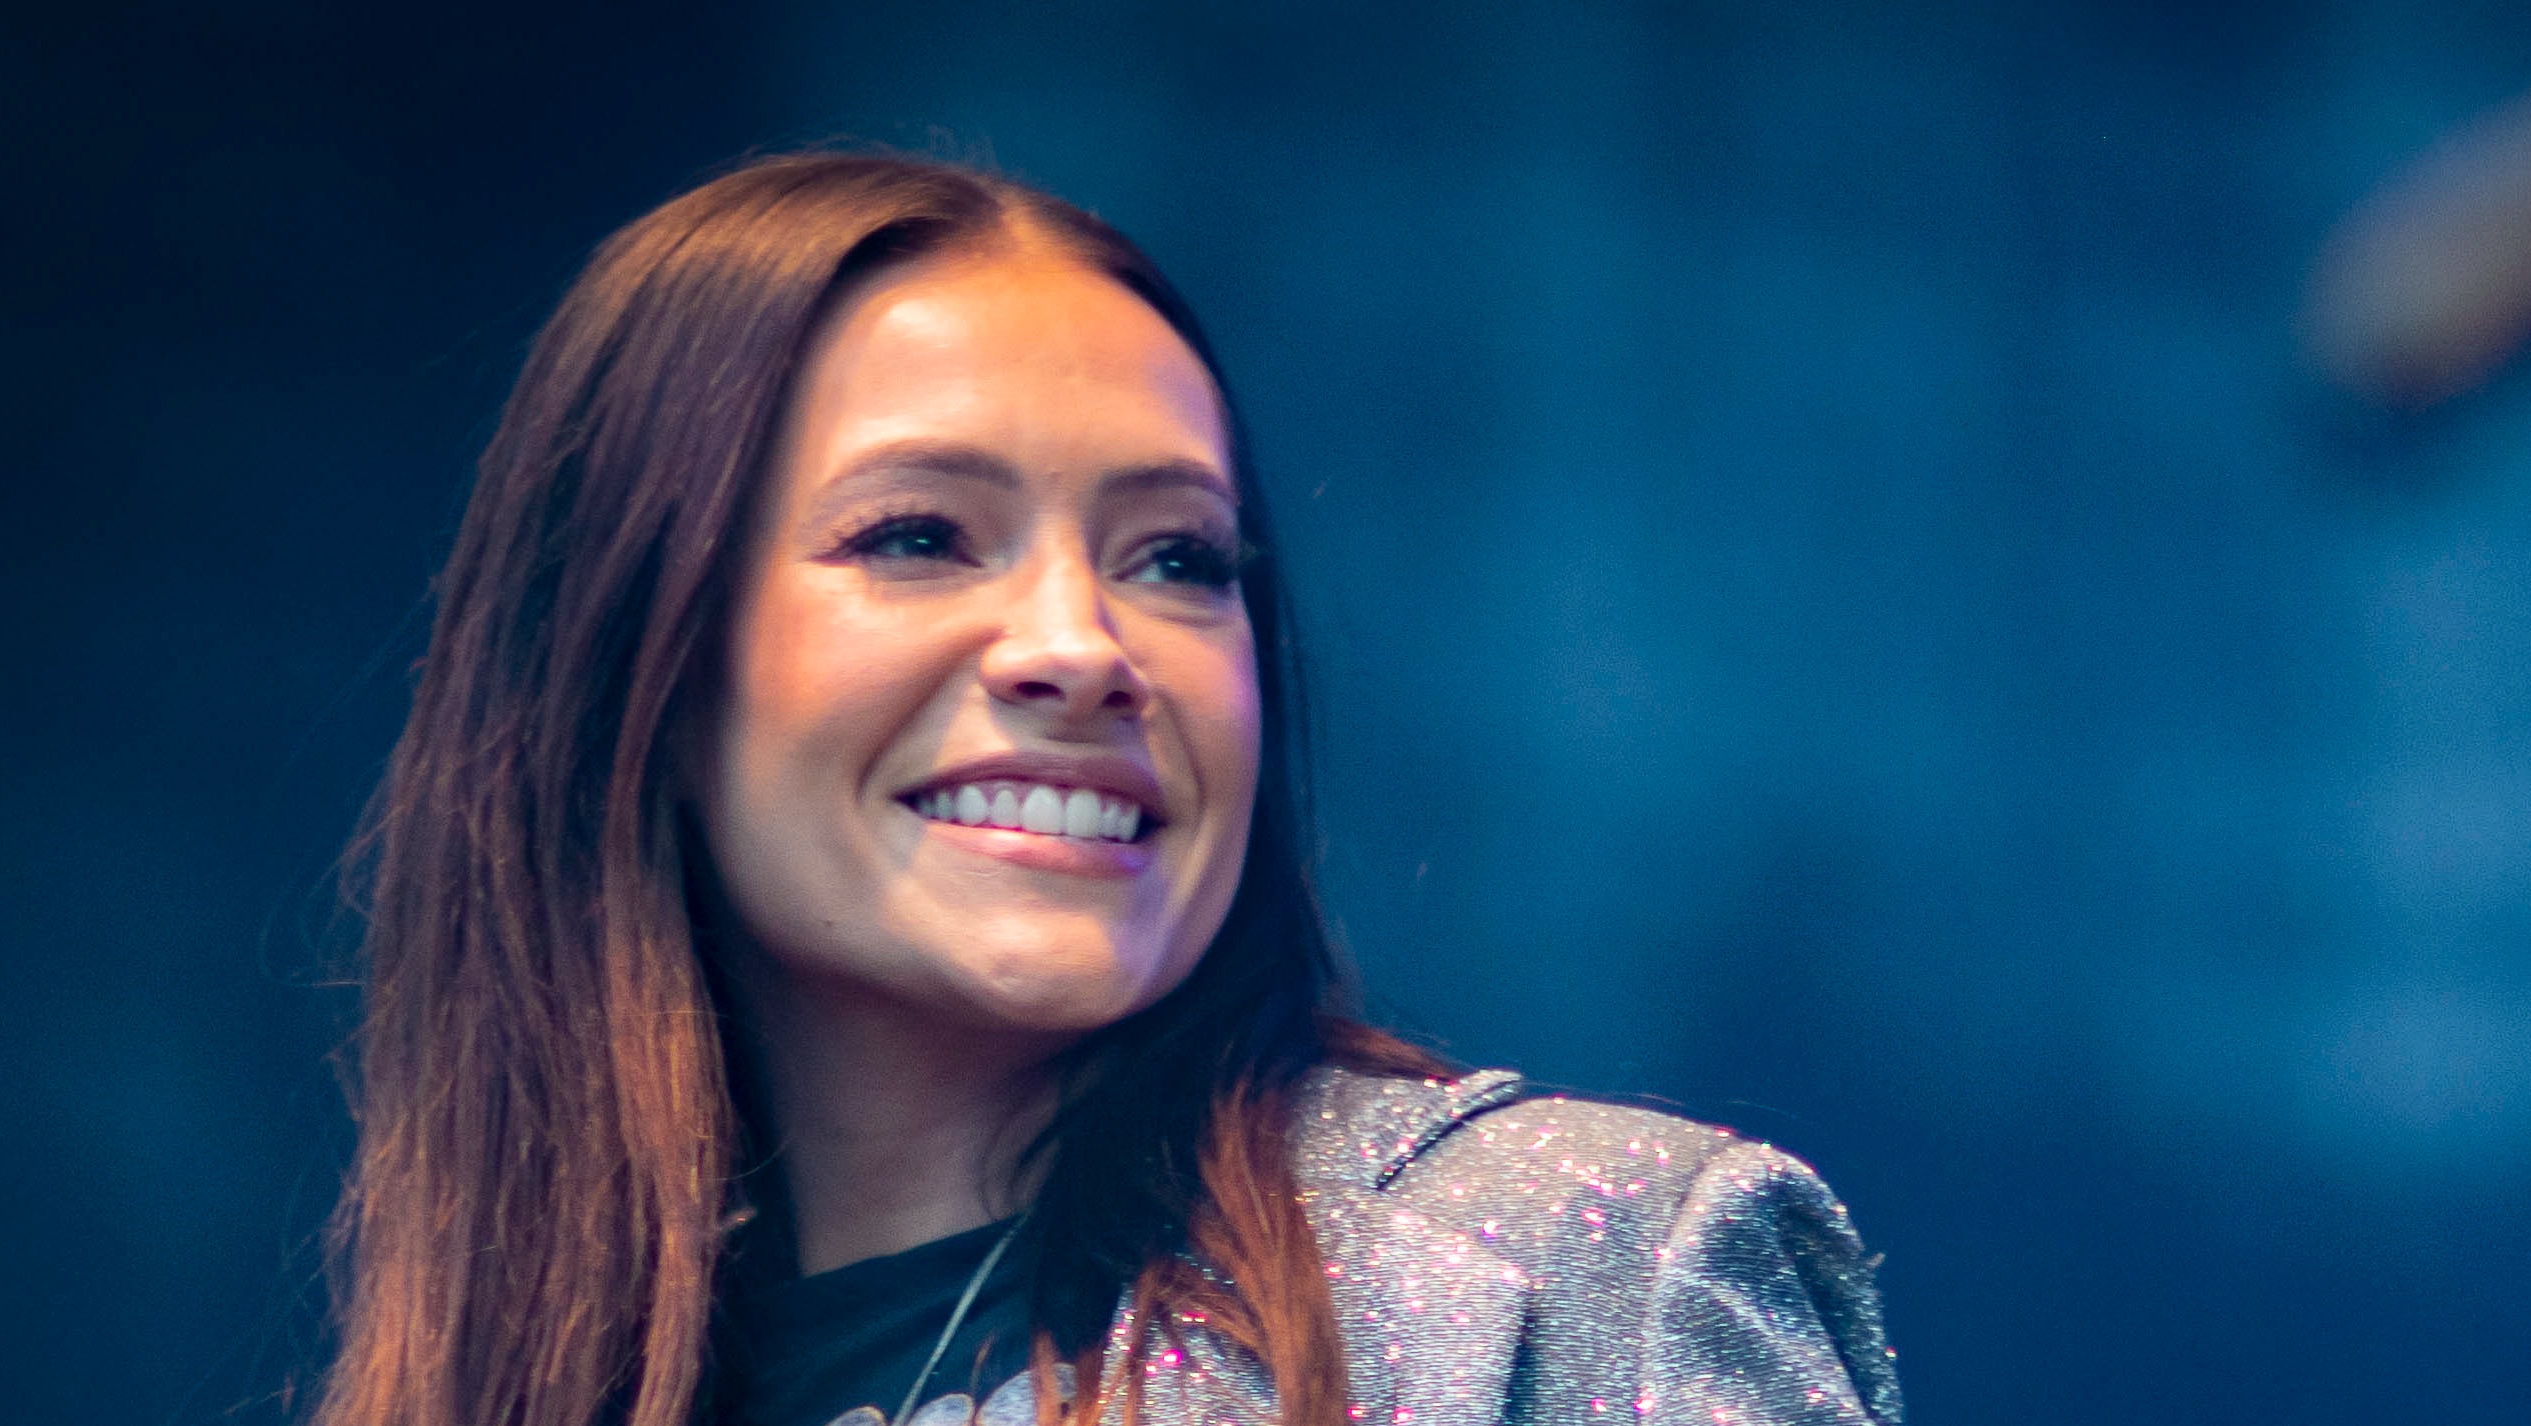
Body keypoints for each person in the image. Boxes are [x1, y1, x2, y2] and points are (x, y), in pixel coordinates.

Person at [315, 153, 1904, 1426]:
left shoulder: (1583, 1266)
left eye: (1178, 559)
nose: (1084, 648)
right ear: (637, 672)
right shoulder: (486, 1366)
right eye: (920, 535)